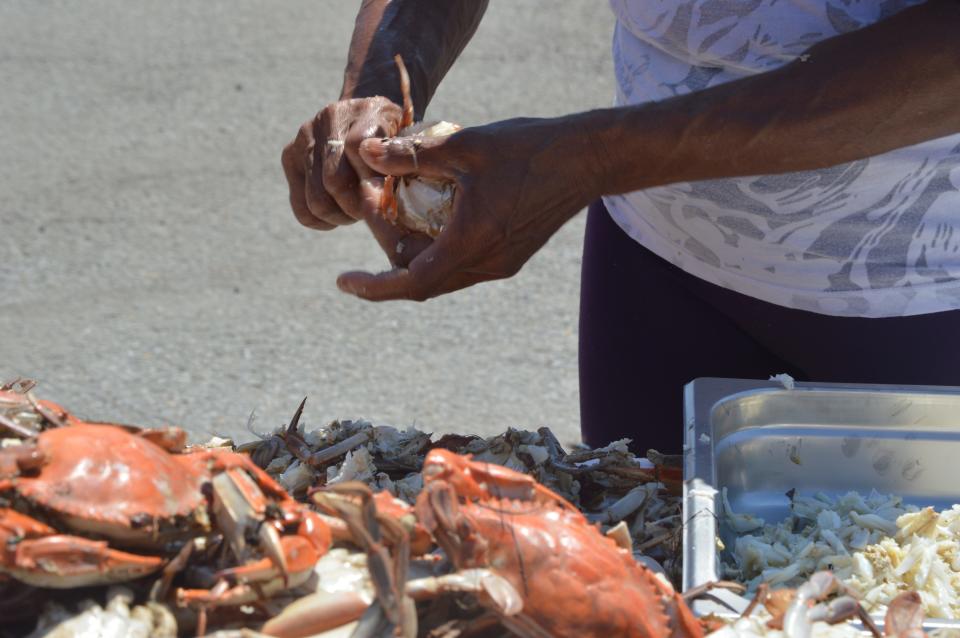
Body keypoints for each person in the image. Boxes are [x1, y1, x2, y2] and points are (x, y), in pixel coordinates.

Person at [282, 1, 960, 454]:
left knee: (889, 590)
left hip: (918, 294)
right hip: (656, 262)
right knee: (644, 578)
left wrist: (594, 157)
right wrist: (379, 86)